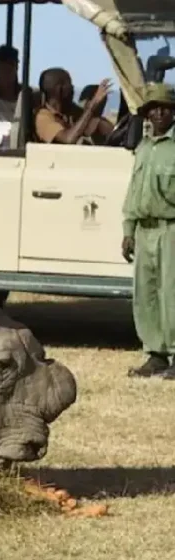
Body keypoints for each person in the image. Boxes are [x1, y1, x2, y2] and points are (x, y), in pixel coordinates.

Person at [121, 83, 175, 379]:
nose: (158, 113)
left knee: (172, 293)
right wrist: (128, 230)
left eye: (164, 107)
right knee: (146, 294)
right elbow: (133, 192)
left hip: (171, 229)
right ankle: (155, 353)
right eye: (152, 108)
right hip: (144, 230)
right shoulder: (143, 148)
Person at [34, 68, 112, 145]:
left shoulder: (70, 112)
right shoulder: (43, 117)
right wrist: (92, 105)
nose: (73, 88)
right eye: (70, 84)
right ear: (59, 89)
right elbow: (69, 138)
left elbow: (92, 126)